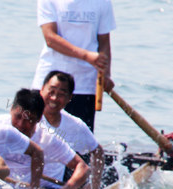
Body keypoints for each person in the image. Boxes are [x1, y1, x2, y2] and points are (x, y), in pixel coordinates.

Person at [0, 89, 90, 189]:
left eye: (29, 120)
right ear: (11, 109)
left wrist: (69, 187)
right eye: (17, 116)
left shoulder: (47, 139)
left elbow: (83, 167)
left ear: (39, 118)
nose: (20, 125)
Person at [31, 0, 115, 131]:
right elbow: (50, 38)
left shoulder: (102, 2)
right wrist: (86, 56)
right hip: (50, 80)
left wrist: (106, 74)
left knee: (80, 142)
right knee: (38, 133)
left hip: (85, 84)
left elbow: (104, 42)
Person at [39, 71, 105, 189]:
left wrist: (94, 186)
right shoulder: (26, 116)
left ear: (69, 98)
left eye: (61, 94)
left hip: (51, 188)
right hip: (20, 182)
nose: (54, 98)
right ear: (42, 90)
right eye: (51, 91)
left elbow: (97, 152)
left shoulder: (75, 126)